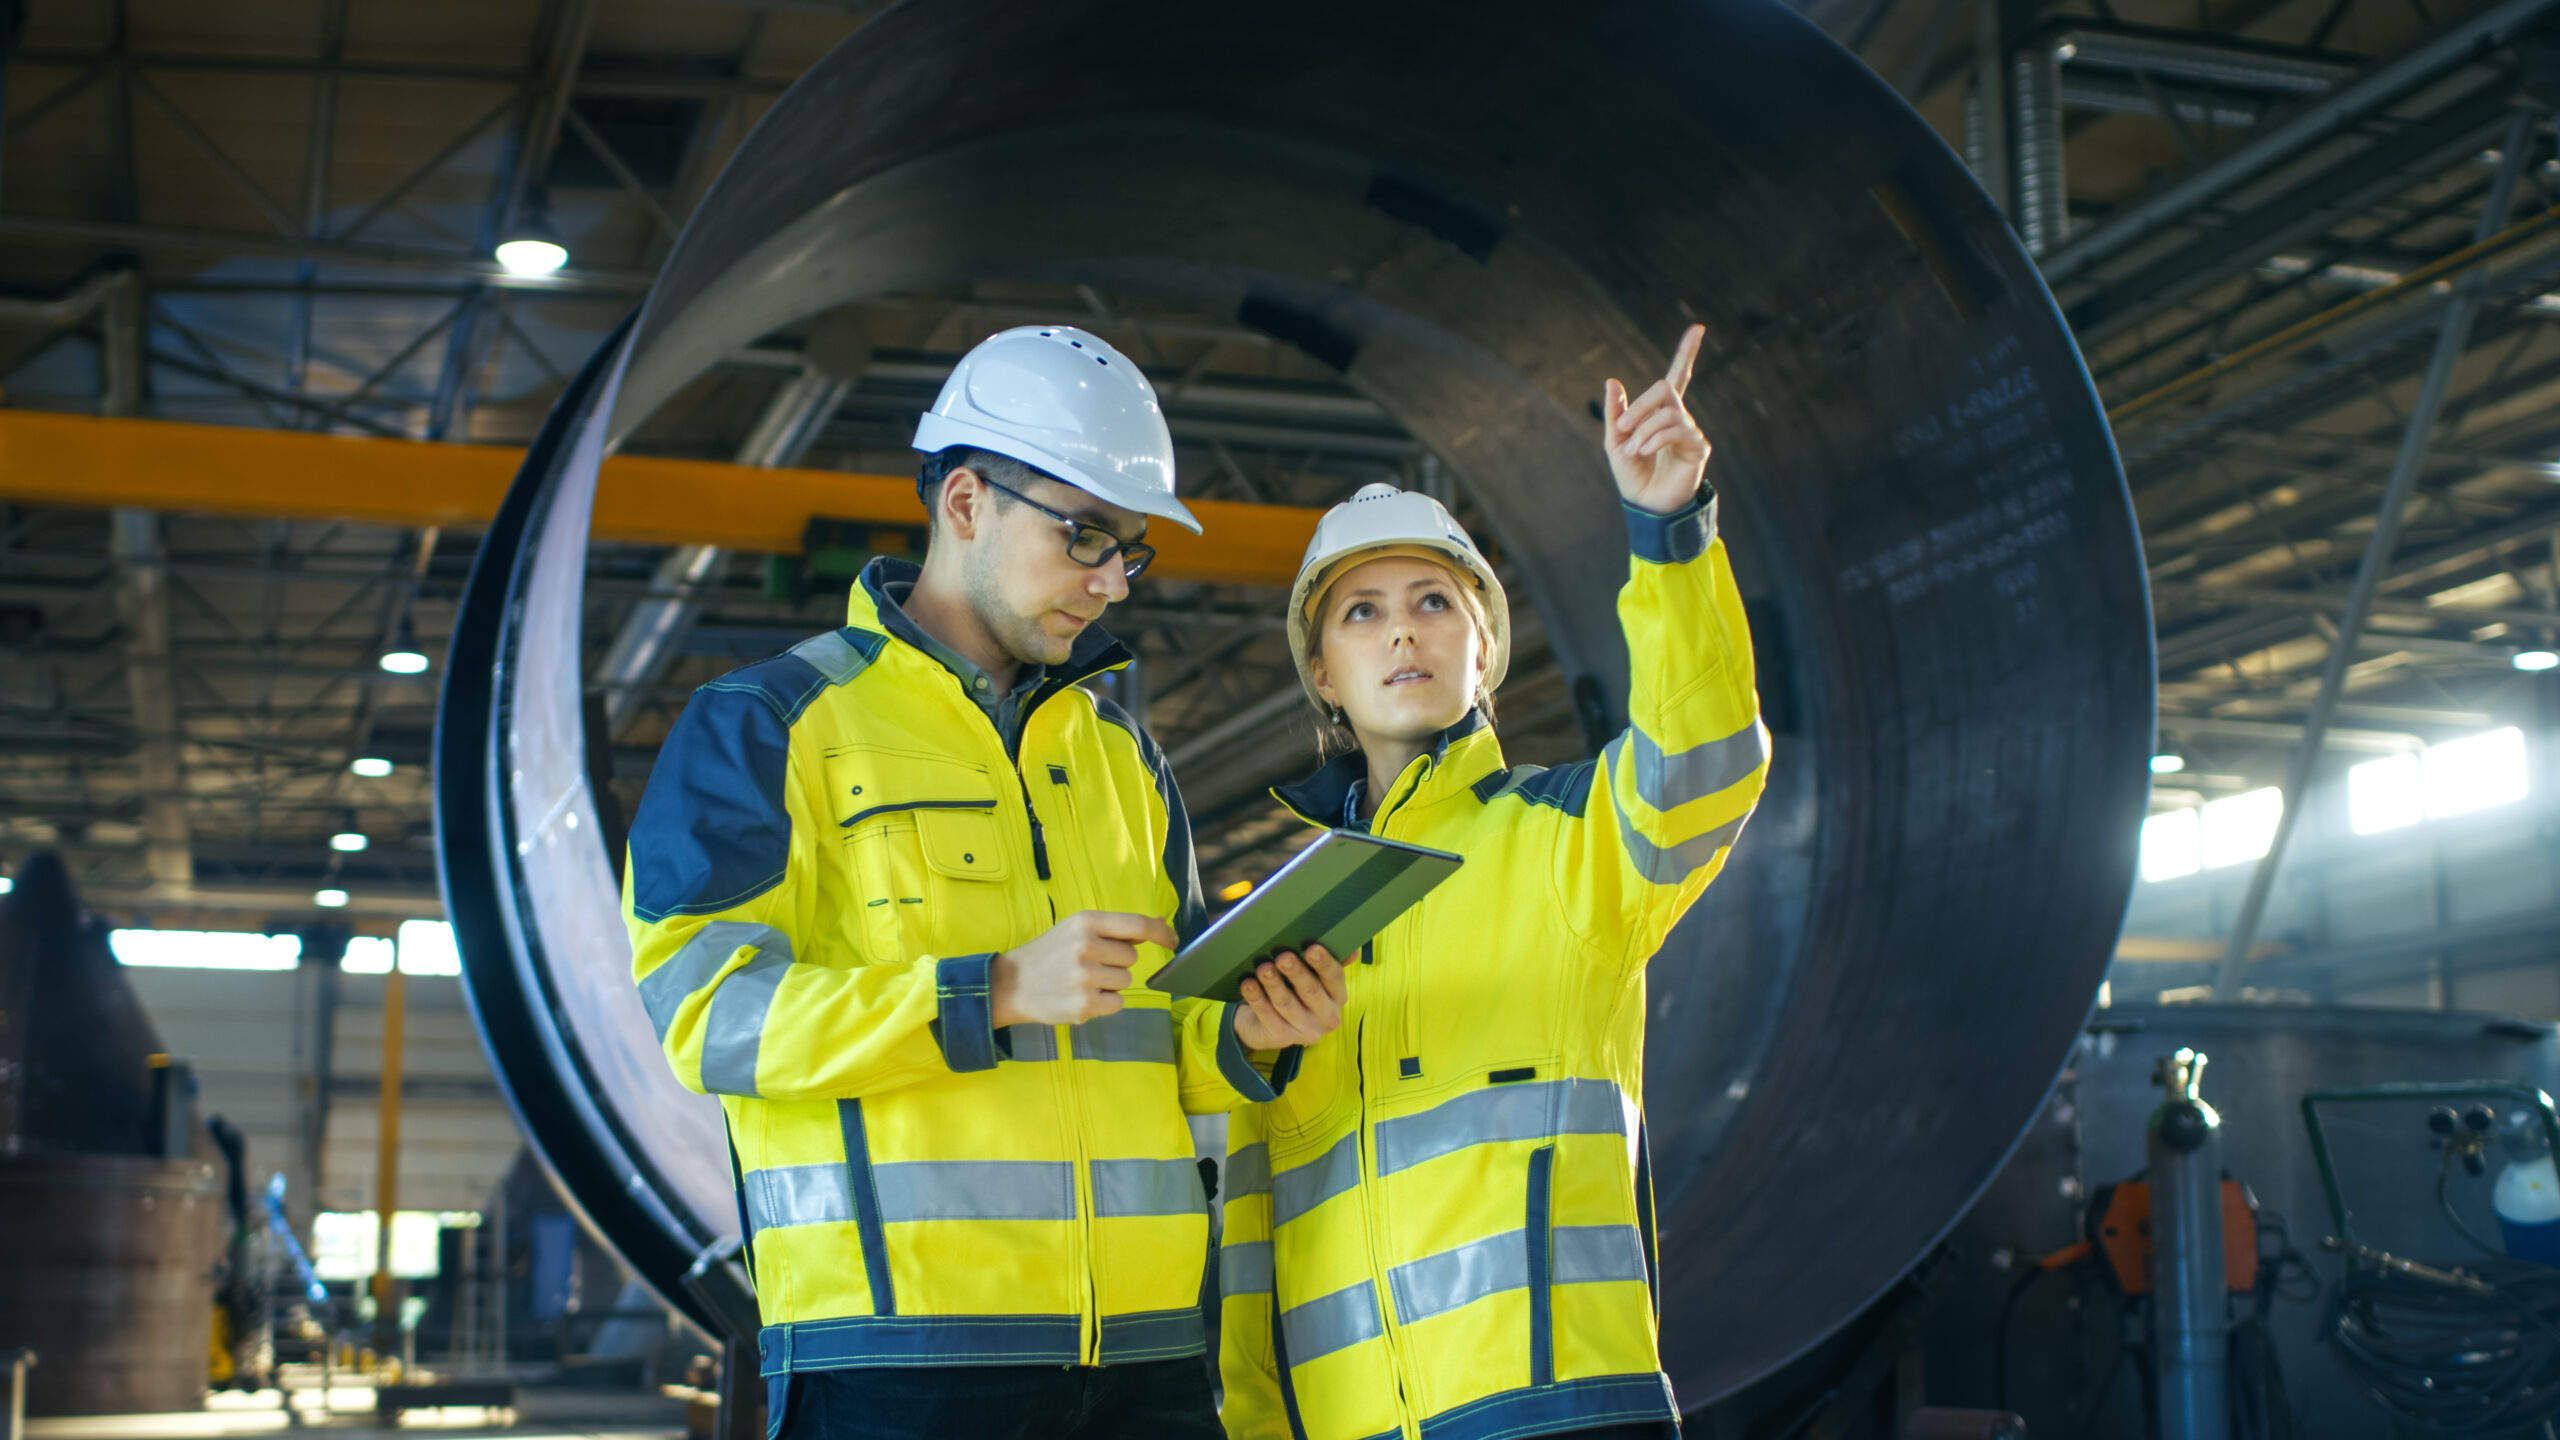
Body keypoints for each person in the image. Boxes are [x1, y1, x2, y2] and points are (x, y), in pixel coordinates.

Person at [622, 325, 1347, 1440]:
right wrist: (987, 992)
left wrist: (1249, 1036)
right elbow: (707, 1017)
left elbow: (1163, 1028)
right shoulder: (767, 725)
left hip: (1148, 1359)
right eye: (1087, 537)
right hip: (904, 1359)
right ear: (965, 503)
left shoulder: (1119, 757)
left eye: (1129, 551)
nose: (1110, 584)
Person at [1216, 324, 1768, 1440]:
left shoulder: (1567, 840)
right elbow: (1245, 1234)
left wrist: (1667, 529)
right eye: (1359, 612)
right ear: (1323, 673)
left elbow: (1705, 762)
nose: (1400, 632)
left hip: (1562, 1409)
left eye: (1432, 602)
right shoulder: (1287, 927)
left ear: (1483, 648)